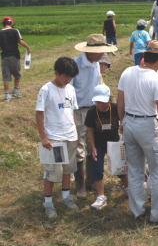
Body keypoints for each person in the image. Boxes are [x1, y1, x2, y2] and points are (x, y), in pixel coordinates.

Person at [117, 40, 158, 225]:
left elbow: (120, 100)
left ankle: (137, 211)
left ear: (144, 57)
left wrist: (122, 122)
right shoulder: (157, 79)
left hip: (129, 122)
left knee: (135, 170)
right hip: (148, 126)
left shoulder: (127, 72)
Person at [72, 34, 117, 199]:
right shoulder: (75, 64)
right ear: (90, 51)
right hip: (77, 110)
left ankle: (92, 181)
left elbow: (99, 84)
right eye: (100, 52)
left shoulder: (97, 64)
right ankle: (80, 185)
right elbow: (68, 91)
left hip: (94, 110)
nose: (102, 55)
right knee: (79, 149)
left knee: (93, 146)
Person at [36, 57, 80, 219]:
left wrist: (75, 131)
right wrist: (44, 137)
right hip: (54, 138)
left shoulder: (71, 89)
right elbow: (39, 114)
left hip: (70, 136)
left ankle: (66, 197)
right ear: (57, 73)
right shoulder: (46, 89)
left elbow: (73, 112)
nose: (67, 80)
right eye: (65, 76)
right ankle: (48, 202)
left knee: (68, 170)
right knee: (52, 173)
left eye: (70, 77)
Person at [85, 84, 126, 210]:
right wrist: (92, 147)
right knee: (97, 167)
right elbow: (90, 131)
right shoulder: (92, 112)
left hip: (114, 142)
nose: (100, 104)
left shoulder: (115, 108)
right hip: (98, 144)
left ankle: (129, 188)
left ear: (109, 99)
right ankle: (101, 196)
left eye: (103, 101)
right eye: (98, 102)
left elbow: (124, 121)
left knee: (121, 167)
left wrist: (122, 128)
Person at [0, 16, 31, 101]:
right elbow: (20, 41)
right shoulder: (15, 30)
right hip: (15, 56)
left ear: (3, 24)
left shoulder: (0, 32)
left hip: (4, 57)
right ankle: (16, 91)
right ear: (11, 23)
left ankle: (7, 95)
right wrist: (28, 47)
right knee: (17, 74)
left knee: (6, 76)